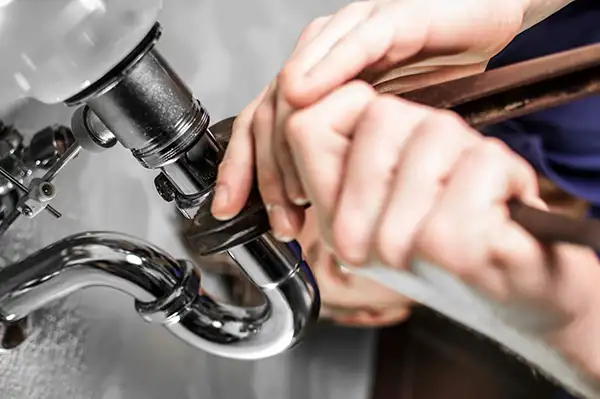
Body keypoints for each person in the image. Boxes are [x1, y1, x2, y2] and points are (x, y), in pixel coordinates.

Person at [210, 0, 600, 381]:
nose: (380, 192)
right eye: (343, 261)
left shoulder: (515, 47)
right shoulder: (576, 327)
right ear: (374, 313)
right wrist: (578, 330)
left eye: (334, 176)